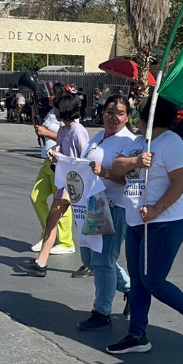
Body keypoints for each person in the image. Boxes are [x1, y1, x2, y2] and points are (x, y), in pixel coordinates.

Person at [105, 96, 183, 355]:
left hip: (164, 223)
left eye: (138, 113)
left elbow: (181, 181)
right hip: (135, 222)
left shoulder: (171, 144)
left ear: (145, 117)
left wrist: (156, 209)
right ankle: (137, 334)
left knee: (153, 280)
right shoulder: (140, 143)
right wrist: (137, 162)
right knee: (139, 282)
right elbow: (118, 166)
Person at [73, 95, 137, 328]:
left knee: (102, 261)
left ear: (128, 117)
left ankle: (102, 312)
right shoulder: (98, 137)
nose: (114, 117)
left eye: (120, 113)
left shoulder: (129, 142)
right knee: (90, 257)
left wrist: (105, 173)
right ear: (103, 113)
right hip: (91, 205)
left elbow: (129, 180)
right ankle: (129, 288)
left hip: (113, 207)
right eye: (110, 111)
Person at [18, 94, 89, 276]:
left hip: (78, 184)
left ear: (64, 109)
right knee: (52, 219)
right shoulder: (65, 130)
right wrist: (55, 155)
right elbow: (61, 148)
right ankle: (41, 263)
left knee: (86, 225)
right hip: (65, 183)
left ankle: (92, 263)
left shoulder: (78, 131)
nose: (55, 111)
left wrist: (65, 160)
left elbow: (85, 157)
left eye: (57, 108)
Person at [28, 89, 76, 256]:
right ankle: (48, 233)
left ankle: (65, 241)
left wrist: (46, 132)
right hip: (48, 161)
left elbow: (66, 137)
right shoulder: (51, 112)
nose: (49, 97)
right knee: (36, 197)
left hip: (60, 164)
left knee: (61, 202)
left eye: (52, 95)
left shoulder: (67, 115)